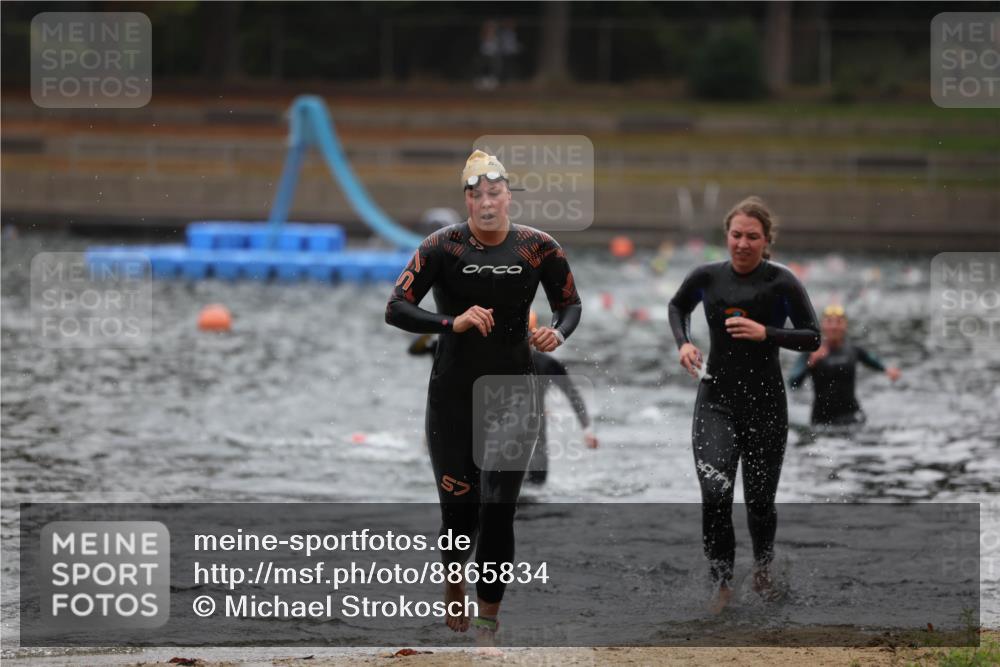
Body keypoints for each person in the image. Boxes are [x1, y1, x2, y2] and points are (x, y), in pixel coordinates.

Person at [385, 150, 582, 643]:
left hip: (514, 394)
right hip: (452, 397)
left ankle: (488, 621)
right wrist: (452, 321)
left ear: (508, 196)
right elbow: (396, 308)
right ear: (467, 201)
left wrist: (557, 334)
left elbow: (570, 304)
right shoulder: (440, 247)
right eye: (477, 194)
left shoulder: (540, 248)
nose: (487, 201)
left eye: (495, 192)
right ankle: (455, 581)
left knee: (497, 508)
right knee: (460, 512)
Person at [667, 196, 820, 613]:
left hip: (767, 404)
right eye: (736, 235)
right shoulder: (706, 277)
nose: (743, 243)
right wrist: (683, 343)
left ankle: (764, 567)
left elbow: (812, 336)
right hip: (716, 399)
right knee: (715, 493)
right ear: (726, 236)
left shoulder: (782, 283)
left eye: (753, 236)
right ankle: (721, 586)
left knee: (758, 501)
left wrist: (765, 332)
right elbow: (678, 305)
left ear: (766, 240)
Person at [407, 310, 598, 486]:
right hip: (488, 431)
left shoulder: (547, 364)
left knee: (535, 487)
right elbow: (415, 349)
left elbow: (573, 395)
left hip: (532, 434)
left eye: (524, 334)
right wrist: (441, 327)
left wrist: (587, 429)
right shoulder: (475, 352)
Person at [788, 304, 901, 426]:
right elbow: (793, 383)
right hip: (822, 420)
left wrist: (887, 370)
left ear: (845, 325)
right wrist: (810, 363)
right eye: (830, 322)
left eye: (838, 322)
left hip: (852, 415)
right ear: (822, 325)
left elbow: (872, 360)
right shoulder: (811, 352)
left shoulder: (853, 349)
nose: (834, 326)